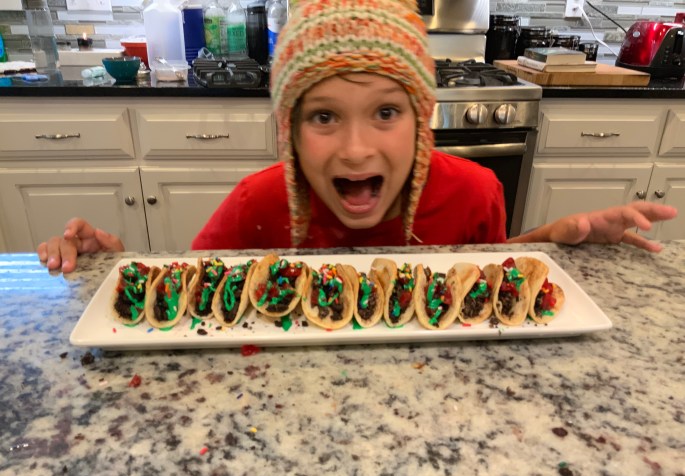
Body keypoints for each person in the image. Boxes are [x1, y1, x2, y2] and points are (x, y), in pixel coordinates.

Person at [37, 0, 677, 274]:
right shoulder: (257, 204)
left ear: (422, 119)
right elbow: (192, 292)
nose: (355, 149)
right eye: (323, 117)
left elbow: (480, 282)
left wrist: (552, 243)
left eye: (386, 112)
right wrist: (115, 267)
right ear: (288, 132)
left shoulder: (475, 192)